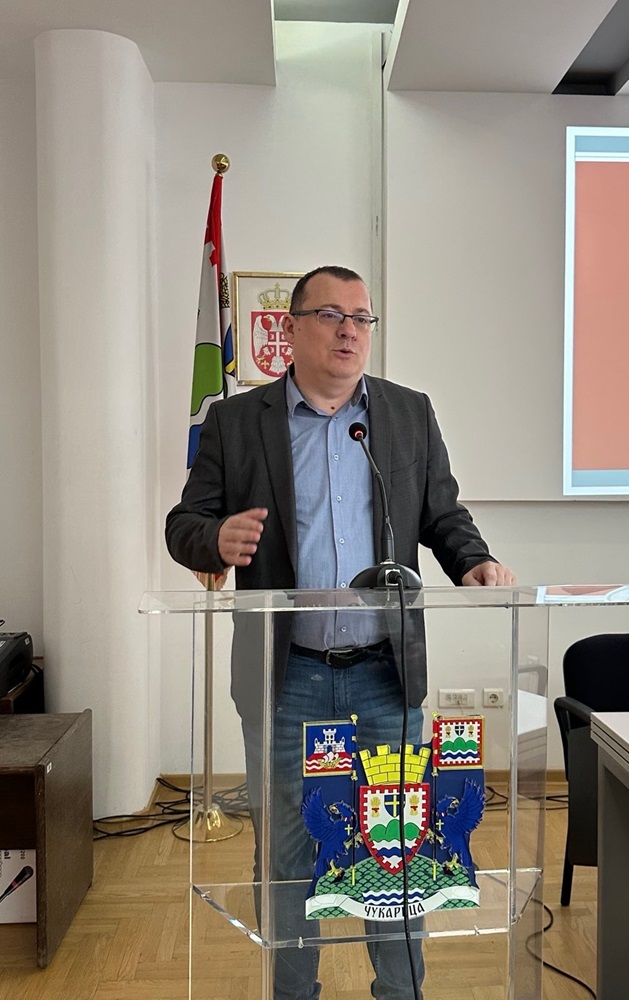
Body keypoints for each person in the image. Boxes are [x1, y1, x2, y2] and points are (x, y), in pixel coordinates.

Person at [165, 265, 514, 1000]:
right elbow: (185, 523)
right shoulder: (238, 422)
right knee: (290, 852)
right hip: (285, 674)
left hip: (386, 672)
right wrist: (214, 539)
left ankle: (400, 993)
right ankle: (295, 992)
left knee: (399, 850)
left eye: (362, 318)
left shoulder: (408, 413)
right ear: (291, 328)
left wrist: (473, 560)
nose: (350, 330)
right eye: (331, 315)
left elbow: (442, 514)